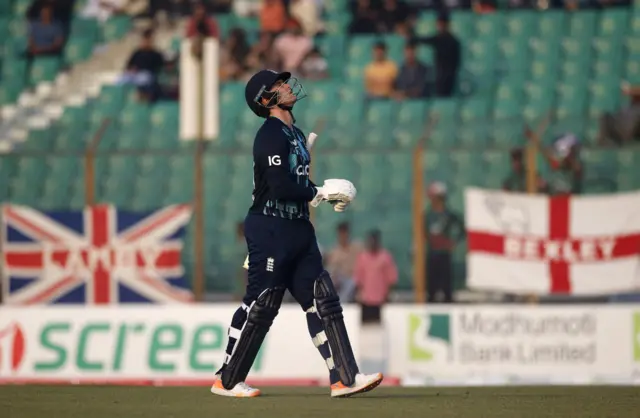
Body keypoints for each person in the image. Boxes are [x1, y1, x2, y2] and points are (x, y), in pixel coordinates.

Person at [210, 69, 383, 398]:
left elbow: (298, 184)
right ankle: (227, 380)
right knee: (262, 302)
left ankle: (345, 379)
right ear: (266, 99)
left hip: (300, 227)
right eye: (278, 85)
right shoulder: (269, 136)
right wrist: (319, 193)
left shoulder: (296, 134)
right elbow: (280, 185)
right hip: (270, 227)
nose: (287, 86)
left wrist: (321, 195)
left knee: (323, 300)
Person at [424, 182, 464, 303]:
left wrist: (453, 242)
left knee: (446, 287)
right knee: (431, 288)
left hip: (444, 254)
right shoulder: (428, 215)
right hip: (432, 253)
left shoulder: (449, 214)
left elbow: (462, 229)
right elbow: (423, 232)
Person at [411, 12, 461, 98]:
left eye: (441, 24)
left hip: (448, 74)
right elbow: (424, 40)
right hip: (440, 73)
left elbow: (457, 60)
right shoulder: (438, 39)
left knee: (445, 97)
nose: (440, 27)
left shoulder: (452, 41)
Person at [353, 230, 398, 324]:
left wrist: (388, 295)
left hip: (381, 301)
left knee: (380, 329)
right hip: (366, 301)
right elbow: (358, 279)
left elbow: (391, 278)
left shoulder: (385, 257)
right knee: (366, 329)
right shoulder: (362, 257)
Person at [326, 222, 362, 303]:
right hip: (340, 278)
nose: (343, 236)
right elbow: (331, 268)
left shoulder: (357, 247)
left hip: (354, 278)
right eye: (341, 233)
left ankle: (341, 303)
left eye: (344, 233)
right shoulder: (334, 250)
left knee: (351, 282)